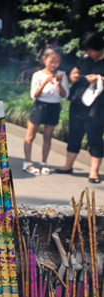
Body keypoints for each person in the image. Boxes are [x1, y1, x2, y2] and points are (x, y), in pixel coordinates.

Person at [55, 32, 104, 184]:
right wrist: (73, 75)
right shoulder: (84, 59)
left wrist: (99, 78)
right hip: (78, 100)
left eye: (90, 50)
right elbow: (75, 71)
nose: (88, 53)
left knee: (94, 135)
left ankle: (94, 171)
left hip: (97, 104)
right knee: (75, 133)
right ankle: (68, 165)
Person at [22, 46, 69, 176]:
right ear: (44, 59)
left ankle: (44, 162)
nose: (54, 64)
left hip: (54, 106)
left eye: (57, 61)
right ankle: (28, 162)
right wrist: (45, 82)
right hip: (40, 106)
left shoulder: (62, 75)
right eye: (51, 61)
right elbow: (34, 95)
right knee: (30, 136)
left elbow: (65, 96)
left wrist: (59, 84)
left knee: (47, 137)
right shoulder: (38, 75)